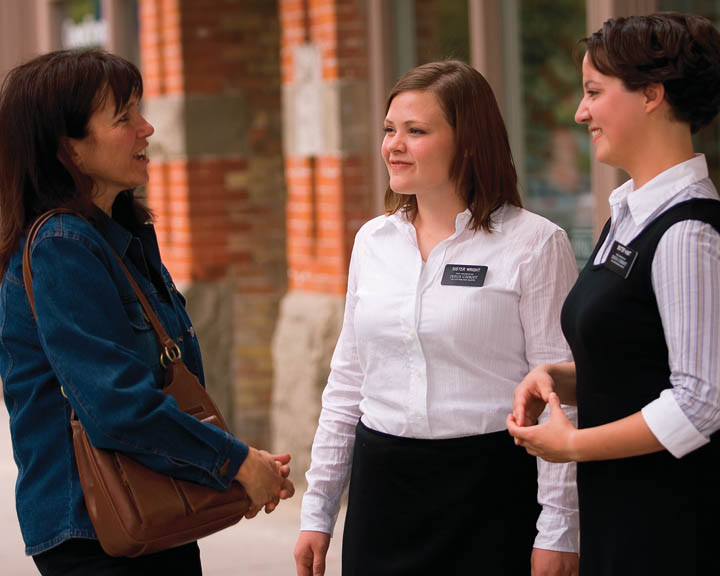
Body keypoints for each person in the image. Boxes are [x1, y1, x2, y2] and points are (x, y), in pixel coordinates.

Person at [0, 49, 294, 575]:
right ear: (68, 148)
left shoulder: (116, 235)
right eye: (124, 117)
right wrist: (233, 462)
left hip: (146, 518)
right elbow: (117, 407)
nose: (147, 128)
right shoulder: (62, 247)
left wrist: (230, 466)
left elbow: (162, 383)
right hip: (98, 534)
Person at [294, 60, 580, 576]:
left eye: (416, 131)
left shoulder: (536, 244)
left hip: (490, 491)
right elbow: (347, 384)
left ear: (468, 142)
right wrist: (317, 510)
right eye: (389, 130)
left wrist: (559, 528)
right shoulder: (372, 242)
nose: (393, 145)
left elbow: (561, 399)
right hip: (383, 493)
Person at [507, 12, 720, 576]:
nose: (581, 112)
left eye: (594, 92)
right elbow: (642, 360)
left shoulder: (688, 233)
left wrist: (573, 445)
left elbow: (700, 404)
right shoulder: (627, 216)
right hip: (619, 514)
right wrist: (561, 377)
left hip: (668, 529)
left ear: (652, 94)